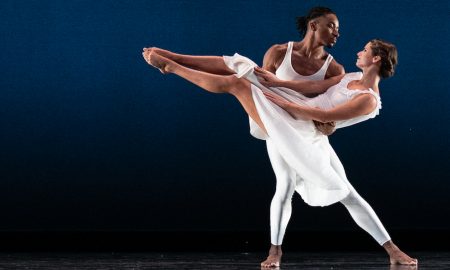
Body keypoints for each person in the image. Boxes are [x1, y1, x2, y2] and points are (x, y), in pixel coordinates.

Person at [142, 39, 417, 268]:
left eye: (365, 50)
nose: (359, 52)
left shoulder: (369, 100)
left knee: (346, 194)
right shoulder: (353, 77)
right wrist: (276, 83)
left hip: (303, 128)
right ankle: (172, 57)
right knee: (246, 68)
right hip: (294, 108)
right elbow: (311, 89)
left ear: (377, 59)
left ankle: (172, 66)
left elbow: (323, 115)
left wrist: (283, 103)